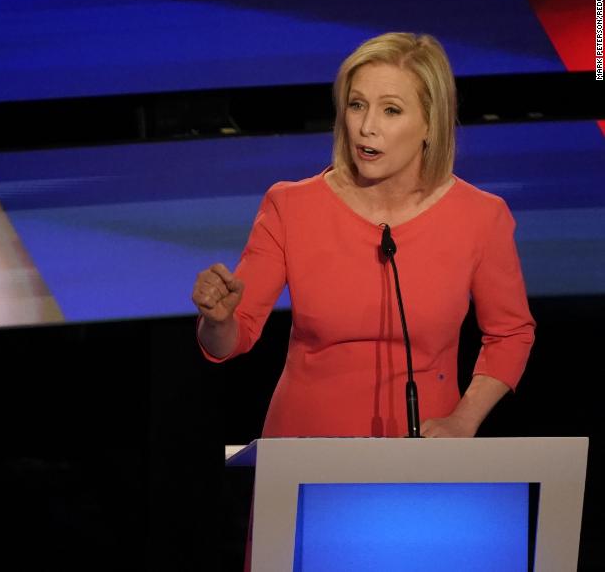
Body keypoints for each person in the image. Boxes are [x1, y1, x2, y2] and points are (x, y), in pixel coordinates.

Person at [192, 32, 534, 439]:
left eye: (391, 110)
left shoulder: (481, 216)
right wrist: (218, 321)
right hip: (306, 450)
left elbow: (510, 334)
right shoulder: (290, 206)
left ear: (430, 122)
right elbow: (232, 336)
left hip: (425, 450)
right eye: (357, 105)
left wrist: (463, 420)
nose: (366, 127)